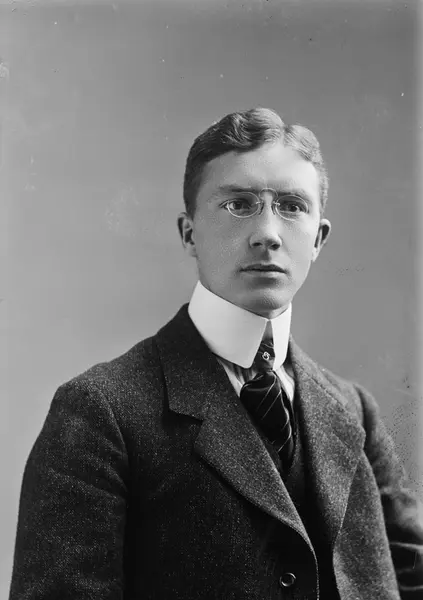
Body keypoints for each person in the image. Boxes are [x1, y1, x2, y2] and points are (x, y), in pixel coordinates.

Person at [9, 108, 423, 600]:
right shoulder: (101, 411)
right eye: (239, 204)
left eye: (292, 206)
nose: (268, 233)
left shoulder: (355, 410)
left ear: (318, 239)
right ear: (189, 233)